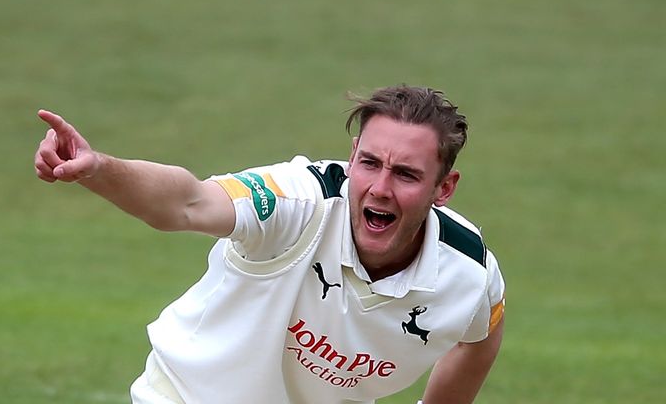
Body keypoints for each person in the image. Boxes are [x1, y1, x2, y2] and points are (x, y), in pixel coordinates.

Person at [34, 85, 505, 404]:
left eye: (405, 174)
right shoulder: (297, 201)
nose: (379, 187)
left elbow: (479, 340)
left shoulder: (468, 274)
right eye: (369, 163)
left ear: (444, 189)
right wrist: (100, 168)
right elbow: (187, 202)